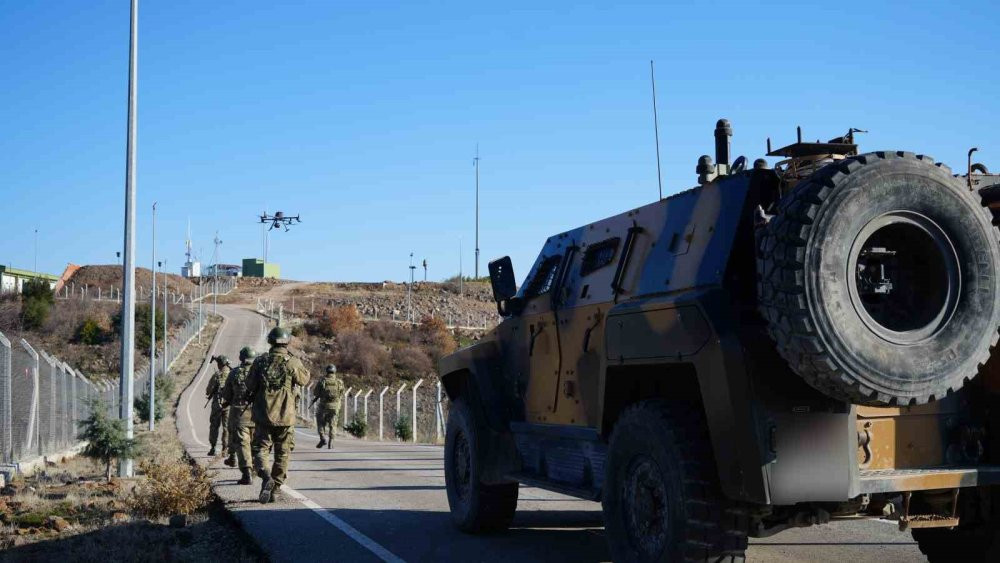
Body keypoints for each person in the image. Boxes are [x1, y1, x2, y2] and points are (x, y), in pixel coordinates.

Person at [246, 326, 310, 503]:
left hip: (263, 415)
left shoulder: (259, 362)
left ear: (270, 341)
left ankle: (265, 476)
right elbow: (304, 380)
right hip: (285, 417)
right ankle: (275, 489)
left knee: (260, 449)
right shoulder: (292, 362)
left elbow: (249, 386)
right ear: (287, 342)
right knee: (283, 453)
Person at [221, 346, 257, 484]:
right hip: (258, 413)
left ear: (241, 358)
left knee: (242, 444)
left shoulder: (234, 373)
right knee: (256, 444)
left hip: (239, 413)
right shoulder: (260, 373)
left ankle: (247, 472)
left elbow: (227, 396)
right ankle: (256, 470)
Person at [311, 364, 344, 449]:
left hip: (324, 406)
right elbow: (341, 393)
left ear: (327, 371)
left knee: (320, 422)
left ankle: (322, 438)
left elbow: (315, 393)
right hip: (335, 406)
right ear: (335, 371)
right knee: (333, 424)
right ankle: (331, 442)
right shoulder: (339, 382)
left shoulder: (323, 381)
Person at [205, 355, 231, 457]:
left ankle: (213, 448)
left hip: (217, 404)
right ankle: (225, 449)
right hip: (228, 404)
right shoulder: (231, 374)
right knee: (227, 427)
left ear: (219, 364)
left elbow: (208, 391)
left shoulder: (217, 375)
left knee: (214, 426)